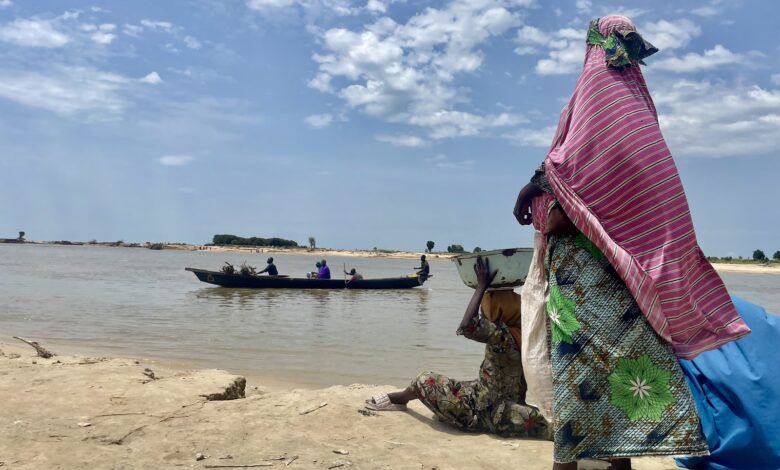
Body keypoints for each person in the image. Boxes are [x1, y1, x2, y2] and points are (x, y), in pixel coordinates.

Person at [511, 15, 749, 469]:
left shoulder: (593, 100)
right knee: (625, 395)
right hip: (632, 284)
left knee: (577, 401)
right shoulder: (641, 118)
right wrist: (538, 186)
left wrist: (533, 193)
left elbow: (565, 206)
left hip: (584, 289)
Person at [364, 257, 550, 439]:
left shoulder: (500, 334)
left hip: (479, 408)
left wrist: (480, 287)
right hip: (509, 410)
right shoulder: (532, 333)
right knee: (553, 427)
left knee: (424, 380)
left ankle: (400, 398)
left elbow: (466, 326)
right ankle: (406, 401)